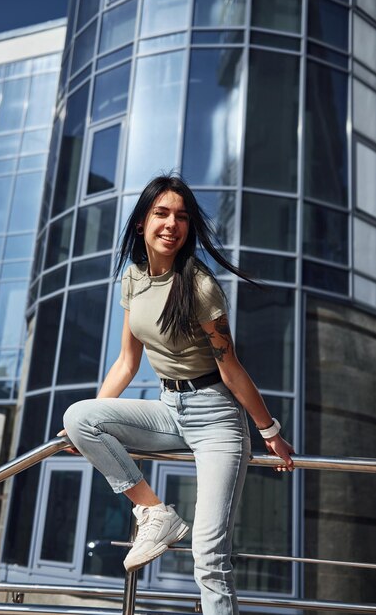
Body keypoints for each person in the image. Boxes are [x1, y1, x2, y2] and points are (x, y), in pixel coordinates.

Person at [61, 174, 294, 615]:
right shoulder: (133, 279)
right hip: (171, 409)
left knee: (209, 556)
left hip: (218, 421)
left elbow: (232, 368)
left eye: (182, 217)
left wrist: (270, 430)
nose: (172, 224)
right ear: (141, 223)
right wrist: (90, 416)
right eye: (162, 213)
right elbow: (127, 362)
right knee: (79, 417)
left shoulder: (200, 287)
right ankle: (154, 513)